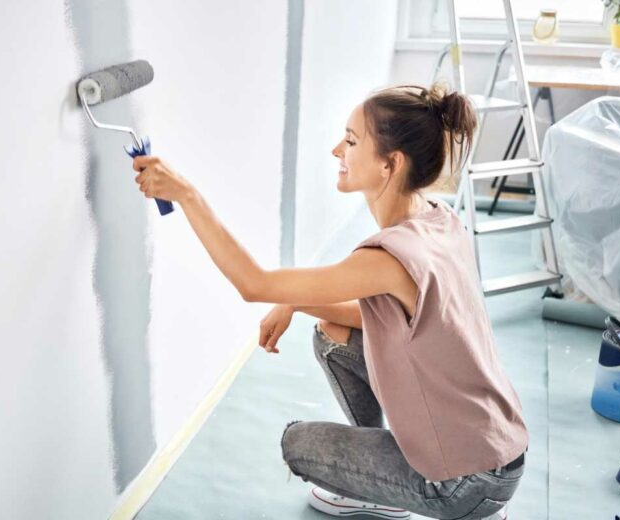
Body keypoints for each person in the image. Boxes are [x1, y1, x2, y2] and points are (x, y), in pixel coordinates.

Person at [131, 81, 529, 520]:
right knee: (333, 336)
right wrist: (297, 302)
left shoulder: (386, 259)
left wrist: (186, 194)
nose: (338, 149)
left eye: (353, 141)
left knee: (297, 444)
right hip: (497, 452)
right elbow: (390, 318)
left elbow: (253, 283)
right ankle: (389, 480)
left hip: (462, 484)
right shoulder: (438, 219)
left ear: (389, 164)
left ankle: (394, 492)